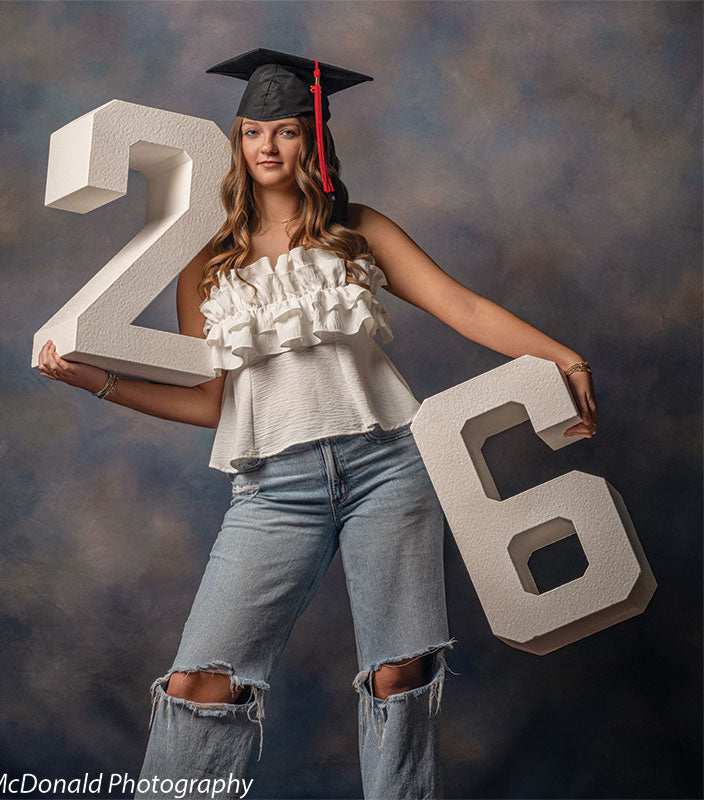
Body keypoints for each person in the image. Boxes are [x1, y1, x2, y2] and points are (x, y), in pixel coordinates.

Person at [37, 49, 598, 800]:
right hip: (274, 489)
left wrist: (561, 356)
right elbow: (211, 402)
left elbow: (462, 306)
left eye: (286, 131)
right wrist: (98, 380)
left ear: (314, 141)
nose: (268, 146)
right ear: (235, 144)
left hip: (391, 467)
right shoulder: (205, 265)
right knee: (203, 680)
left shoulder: (356, 230)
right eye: (252, 132)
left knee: (400, 672)